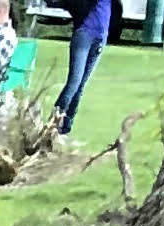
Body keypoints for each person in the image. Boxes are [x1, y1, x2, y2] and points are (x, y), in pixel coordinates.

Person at [53, 0, 113, 138]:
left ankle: (65, 128)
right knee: (74, 82)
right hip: (85, 35)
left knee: (80, 86)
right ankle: (54, 123)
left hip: (100, 38)